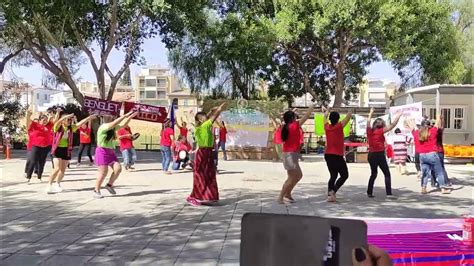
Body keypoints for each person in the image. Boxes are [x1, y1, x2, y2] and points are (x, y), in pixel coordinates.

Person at [186, 102, 226, 207]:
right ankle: (193, 197)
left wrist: (211, 109)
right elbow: (213, 117)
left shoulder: (201, 126)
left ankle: (208, 196)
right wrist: (219, 109)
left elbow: (208, 117)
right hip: (203, 153)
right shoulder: (203, 126)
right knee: (201, 176)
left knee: (209, 175)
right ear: (200, 119)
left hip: (207, 153)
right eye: (204, 117)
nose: (206, 118)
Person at [46, 112, 96, 194]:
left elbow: (80, 123)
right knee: (57, 168)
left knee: (63, 170)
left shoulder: (71, 128)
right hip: (57, 149)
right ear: (63, 120)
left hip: (66, 150)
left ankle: (57, 183)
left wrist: (89, 118)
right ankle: (49, 184)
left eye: (70, 119)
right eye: (67, 119)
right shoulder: (58, 127)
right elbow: (58, 122)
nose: (69, 121)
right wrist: (66, 116)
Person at [94, 111, 138, 198]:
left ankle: (109, 185)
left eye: (110, 115)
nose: (110, 116)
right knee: (103, 173)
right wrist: (124, 115)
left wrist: (130, 117)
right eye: (108, 116)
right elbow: (115, 123)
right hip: (102, 151)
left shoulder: (113, 127)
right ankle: (96, 190)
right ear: (104, 118)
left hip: (110, 151)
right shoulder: (103, 126)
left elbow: (123, 125)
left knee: (118, 168)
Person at [277, 104, 315, 204]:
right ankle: (281, 197)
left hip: (289, 154)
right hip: (290, 155)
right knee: (293, 177)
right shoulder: (294, 126)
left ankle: (288, 194)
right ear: (292, 118)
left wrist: (293, 111)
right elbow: (306, 116)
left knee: (296, 176)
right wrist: (312, 107)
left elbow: (286, 117)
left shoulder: (285, 127)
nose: (296, 118)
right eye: (295, 116)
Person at [366, 108, 402, 198]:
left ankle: (369, 192)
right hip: (379, 154)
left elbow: (368, 122)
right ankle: (388, 193)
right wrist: (398, 116)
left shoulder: (369, 131)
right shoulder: (380, 131)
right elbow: (392, 125)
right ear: (382, 125)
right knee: (386, 173)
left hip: (371, 155)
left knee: (373, 173)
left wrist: (371, 113)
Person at [408, 118, 450, 194]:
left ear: (421, 126)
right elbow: (437, 124)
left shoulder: (417, 133)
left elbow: (412, 128)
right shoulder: (432, 131)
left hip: (422, 155)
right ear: (429, 126)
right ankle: (443, 188)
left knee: (425, 172)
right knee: (439, 171)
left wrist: (411, 122)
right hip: (432, 154)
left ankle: (423, 188)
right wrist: (438, 116)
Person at [322, 107, 352, 202]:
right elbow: (347, 118)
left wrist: (327, 111)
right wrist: (350, 111)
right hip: (337, 155)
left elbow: (324, 117)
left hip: (328, 155)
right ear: (338, 119)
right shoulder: (339, 126)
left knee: (333, 175)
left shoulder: (326, 127)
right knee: (344, 175)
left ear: (330, 119)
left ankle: (330, 195)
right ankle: (333, 192)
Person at [25, 110, 53, 182]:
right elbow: (28, 122)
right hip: (36, 146)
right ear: (40, 120)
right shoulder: (35, 125)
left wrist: (53, 115)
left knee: (42, 162)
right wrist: (28, 115)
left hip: (45, 147)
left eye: (46, 120)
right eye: (44, 120)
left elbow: (54, 120)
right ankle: (28, 177)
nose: (45, 121)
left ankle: (39, 177)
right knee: (33, 161)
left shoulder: (48, 126)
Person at [434, 117, 451, 186]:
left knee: (436, 167)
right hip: (441, 150)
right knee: (442, 166)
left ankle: (439, 181)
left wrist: (439, 120)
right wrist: (442, 120)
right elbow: (442, 127)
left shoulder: (433, 132)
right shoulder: (440, 132)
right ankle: (445, 181)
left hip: (435, 150)